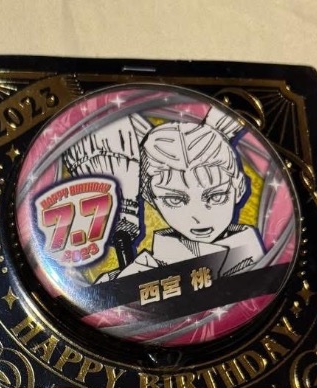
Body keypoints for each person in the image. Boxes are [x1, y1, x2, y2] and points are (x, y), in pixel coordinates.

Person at [64, 104, 265, 280]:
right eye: (174, 200)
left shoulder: (265, 261)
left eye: (216, 196)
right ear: (150, 197)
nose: (198, 217)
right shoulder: (130, 276)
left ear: (239, 188)